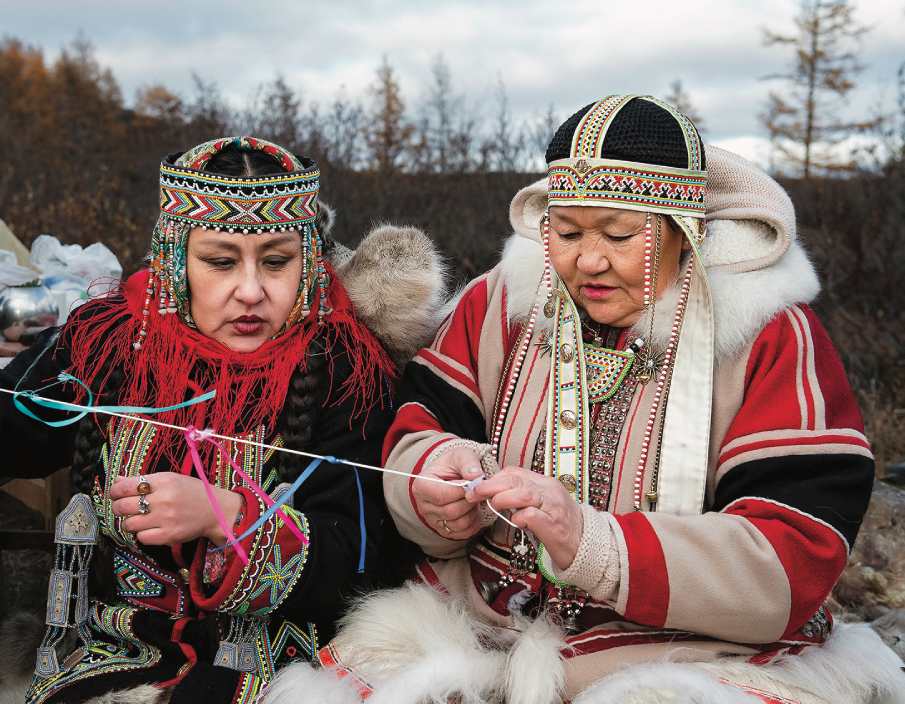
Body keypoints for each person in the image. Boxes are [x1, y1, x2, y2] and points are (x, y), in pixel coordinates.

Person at [266, 97, 904, 704]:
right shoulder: (503, 305)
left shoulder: (767, 335)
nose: (588, 261)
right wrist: (430, 487)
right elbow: (417, 428)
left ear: (685, 231)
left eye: (621, 236)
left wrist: (593, 544)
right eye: (566, 232)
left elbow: (793, 551)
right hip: (478, 618)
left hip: (688, 650)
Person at [0, 137, 411, 704]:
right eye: (220, 261)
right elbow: (11, 417)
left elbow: (363, 558)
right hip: (117, 651)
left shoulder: (349, 371)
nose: (250, 291)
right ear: (175, 258)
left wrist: (226, 516)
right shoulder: (112, 340)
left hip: (280, 667)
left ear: (308, 262)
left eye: (276, 262)